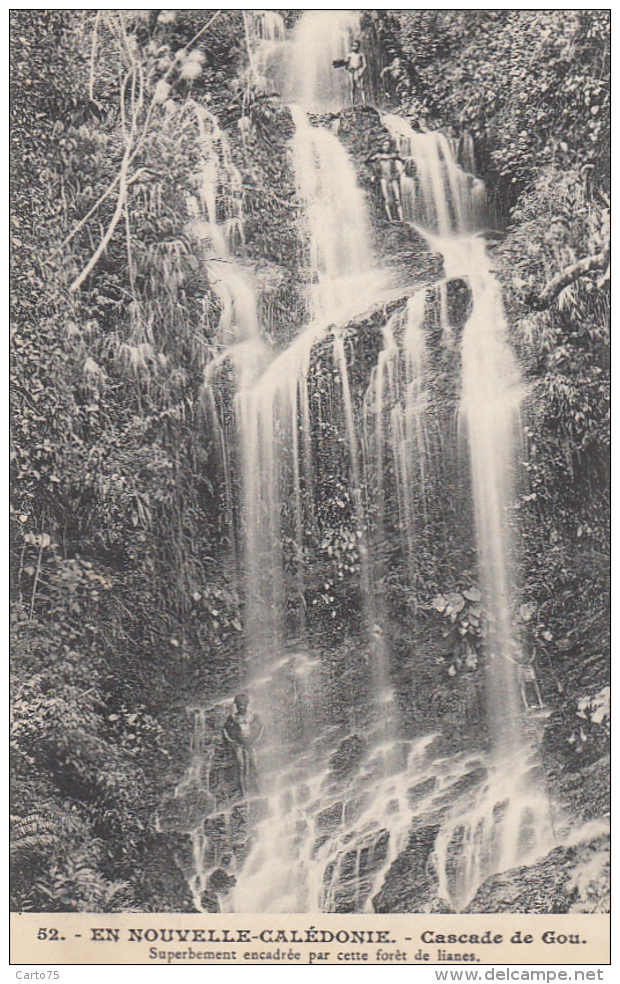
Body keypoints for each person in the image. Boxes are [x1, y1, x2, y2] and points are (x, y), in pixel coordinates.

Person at [222, 693, 264, 797]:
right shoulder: (233, 717)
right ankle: (244, 793)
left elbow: (262, 726)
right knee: (241, 767)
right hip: (239, 745)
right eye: (238, 705)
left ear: (246, 704)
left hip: (250, 744)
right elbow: (224, 729)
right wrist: (230, 741)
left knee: (255, 766)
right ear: (236, 705)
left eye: (243, 704)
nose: (241, 707)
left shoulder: (252, 715)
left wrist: (258, 738)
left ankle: (259, 790)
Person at [366, 139, 406, 222]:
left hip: (393, 178)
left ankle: (401, 219)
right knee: (386, 199)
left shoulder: (393, 155)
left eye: (387, 145)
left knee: (397, 199)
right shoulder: (377, 156)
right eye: (384, 145)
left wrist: (401, 172)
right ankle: (390, 219)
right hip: (383, 179)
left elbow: (404, 161)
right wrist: (373, 174)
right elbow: (367, 162)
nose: (386, 147)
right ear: (381, 146)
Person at [334, 39, 366, 107]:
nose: (355, 47)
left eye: (356, 46)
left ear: (359, 47)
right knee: (352, 88)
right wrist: (346, 66)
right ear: (351, 47)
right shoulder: (350, 55)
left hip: (358, 71)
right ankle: (353, 103)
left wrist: (361, 71)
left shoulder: (361, 55)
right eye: (353, 46)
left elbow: (365, 65)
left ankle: (364, 103)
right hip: (351, 72)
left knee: (361, 87)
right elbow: (347, 64)